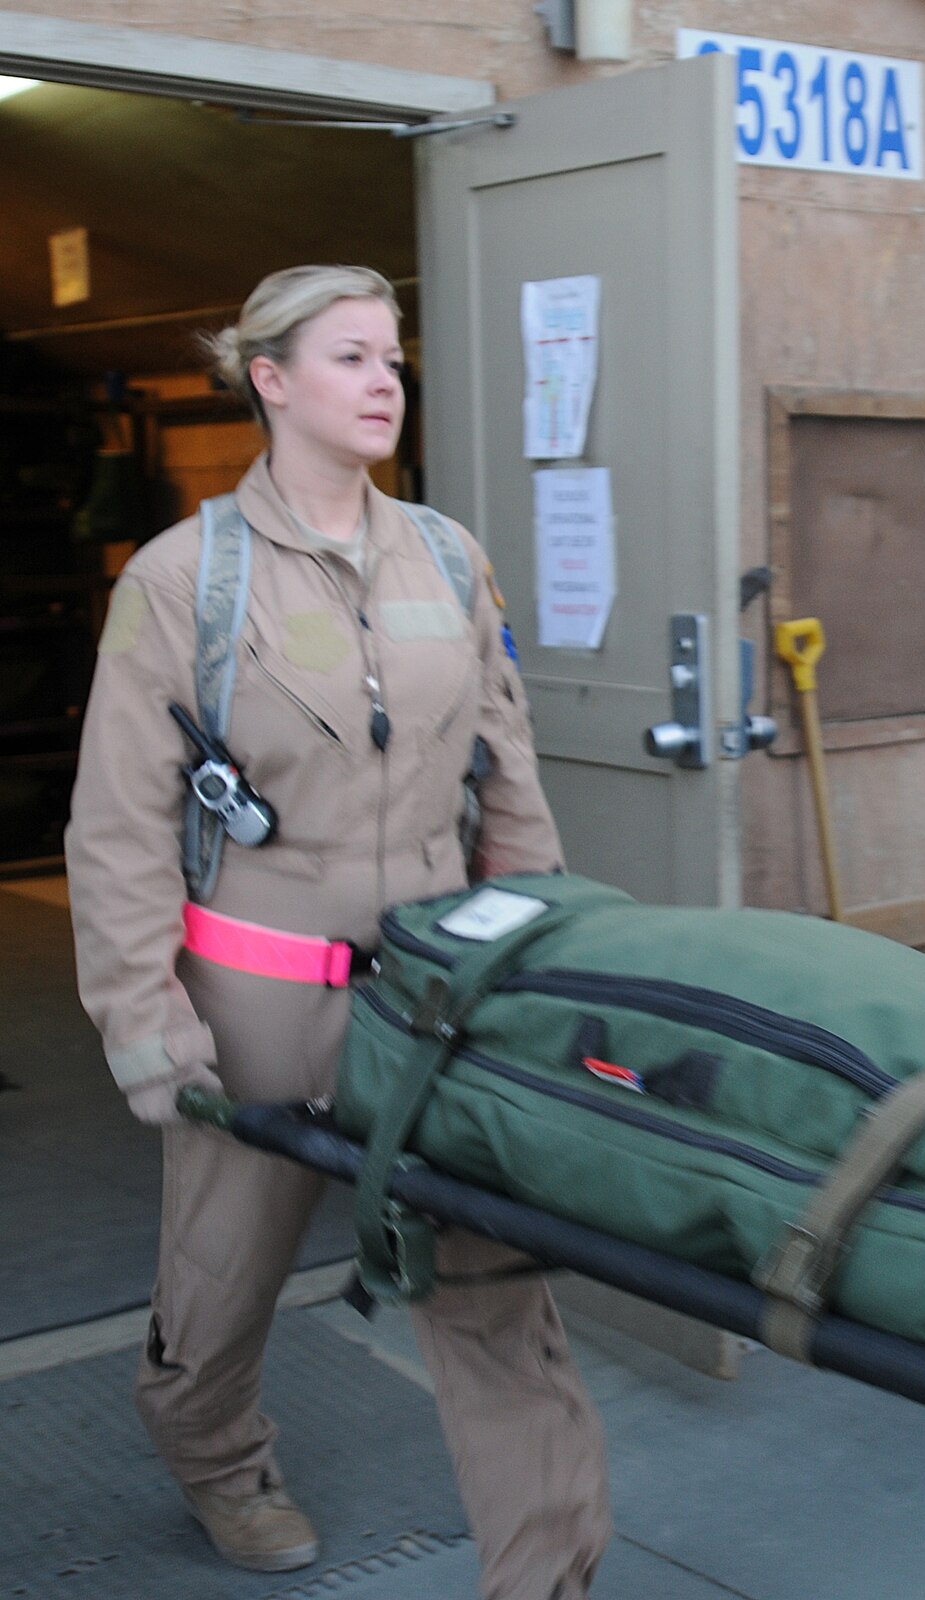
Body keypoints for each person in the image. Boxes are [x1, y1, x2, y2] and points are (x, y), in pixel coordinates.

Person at [65, 265, 613, 1597]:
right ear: (270, 379)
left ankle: (547, 1572)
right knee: (221, 1278)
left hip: (435, 990)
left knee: (493, 1275)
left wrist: (535, 952)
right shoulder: (185, 580)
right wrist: (147, 1023)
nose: (385, 383)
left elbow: (507, 771)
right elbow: (119, 827)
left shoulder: (447, 555)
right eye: (353, 358)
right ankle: (215, 1456)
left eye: (393, 360)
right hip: (257, 992)